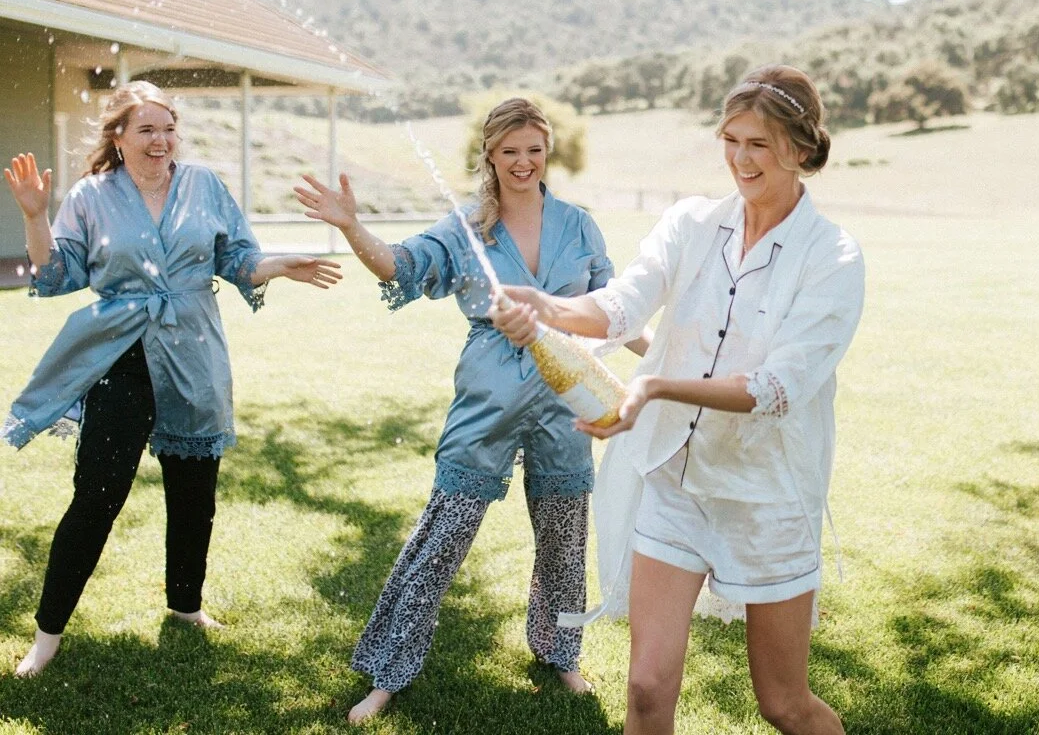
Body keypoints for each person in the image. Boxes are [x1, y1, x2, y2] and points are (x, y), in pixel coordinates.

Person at [491, 65, 865, 735]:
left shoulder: (833, 256)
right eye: (731, 139)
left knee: (783, 703)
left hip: (767, 495)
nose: (740, 159)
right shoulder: (690, 222)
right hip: (676, 479)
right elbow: (622, 304)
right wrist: (546, 307)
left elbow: (776, 388)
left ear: (801, 149)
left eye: (759, 143)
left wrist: (653, 385)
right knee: (645, 688)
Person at [295, 97, 637, 724]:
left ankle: (561, 653)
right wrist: (350, 226)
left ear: (547, 150)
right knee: (444, 533)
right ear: (490, 154)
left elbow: (612, 309)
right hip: (488, 396)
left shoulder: (580, 225)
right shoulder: (466, 228)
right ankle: (387, 671)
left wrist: (672, 354)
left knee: (564, 536)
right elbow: (398, 265)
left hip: (566, 395)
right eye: (510, 150)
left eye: (534, 148)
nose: (523, 161)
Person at [3, 81, 341, 678]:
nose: (160, 141)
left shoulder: (204, 185)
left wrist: (280, 266)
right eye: (146, 130)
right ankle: (47, 635)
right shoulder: (90, 195)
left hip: (192, 351)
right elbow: (56, 275)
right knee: (97, 496)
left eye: (168, 128)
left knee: (194, 496)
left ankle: (186, 607)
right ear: (119, 136)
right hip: (121, 357)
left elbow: (238, 259)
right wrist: (35, 215)